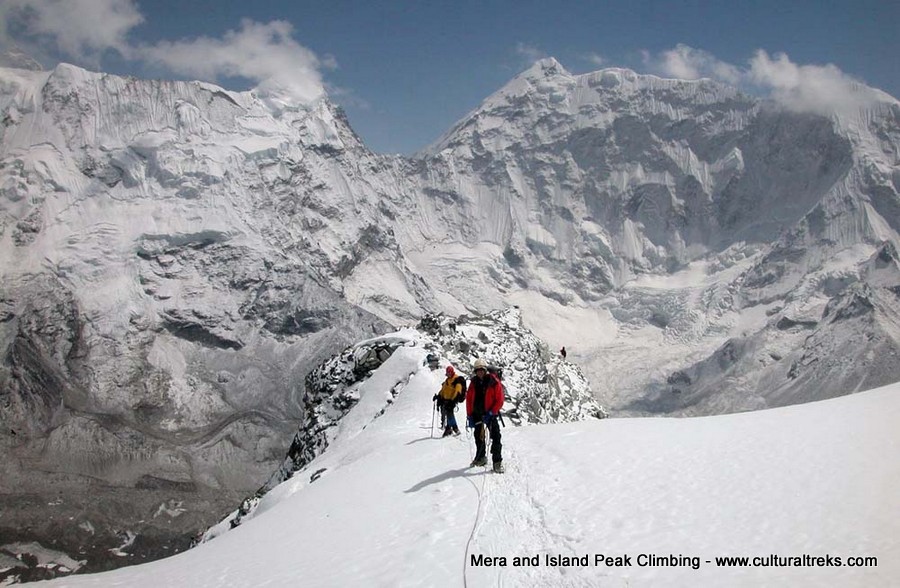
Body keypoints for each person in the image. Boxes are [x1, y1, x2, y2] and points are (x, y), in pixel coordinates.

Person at [466, 358, 504, 473]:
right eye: (477, 370)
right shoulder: (473, 383)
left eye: (481, 370)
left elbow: (500, 399)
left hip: (490, 414)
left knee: (496, 437)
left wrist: (493, 412)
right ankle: (481, 457)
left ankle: (497, 462)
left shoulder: (493, 382)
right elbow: (469, 399)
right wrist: (469, 415)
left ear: (485, 370)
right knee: (478, 437)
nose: (480, 372)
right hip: (478, 414)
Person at [434, 366, 463, 437]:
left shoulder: (456, 379)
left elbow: (457, 391)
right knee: (450, 414)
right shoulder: (447, 380)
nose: (448, 374)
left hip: (451, 400)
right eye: (448, 372)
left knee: (449, 414)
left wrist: (453, 400)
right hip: (446, 400)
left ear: (452, 372)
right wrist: (438, 396)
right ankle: (451, 429)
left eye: (449, 372)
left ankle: (453, 429)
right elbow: (443, 390)